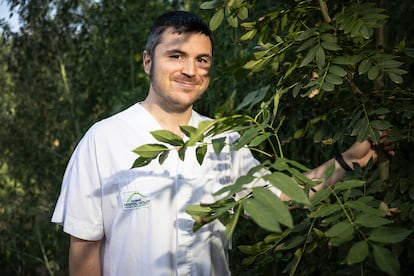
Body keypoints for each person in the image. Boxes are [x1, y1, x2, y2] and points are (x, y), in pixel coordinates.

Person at [51, 10, 395, 275]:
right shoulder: (104, 139)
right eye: (176, 56)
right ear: (147, 61)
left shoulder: (225, 138)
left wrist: (351, 158)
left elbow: (283, 196)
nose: (191, 70)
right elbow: (84, 249)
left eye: (202, 60)